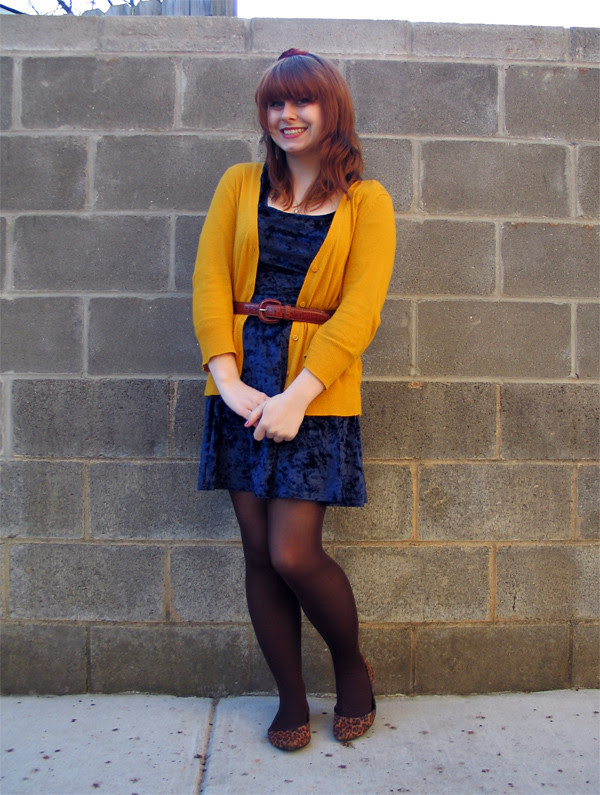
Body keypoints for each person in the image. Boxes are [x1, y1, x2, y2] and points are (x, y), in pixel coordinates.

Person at [192, 49, 396, 751]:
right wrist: (230, 383)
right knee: (257, 550)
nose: (287, 115)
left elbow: (361, 310)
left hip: (316, 391)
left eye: (303, 101)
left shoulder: (367, 201)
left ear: (331, 109)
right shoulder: (238, 184)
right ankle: (289, 697)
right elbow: (210, 282)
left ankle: (352, 669)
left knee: (292, 553)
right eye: (275, 103)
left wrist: (298, 397)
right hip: (241, 388)